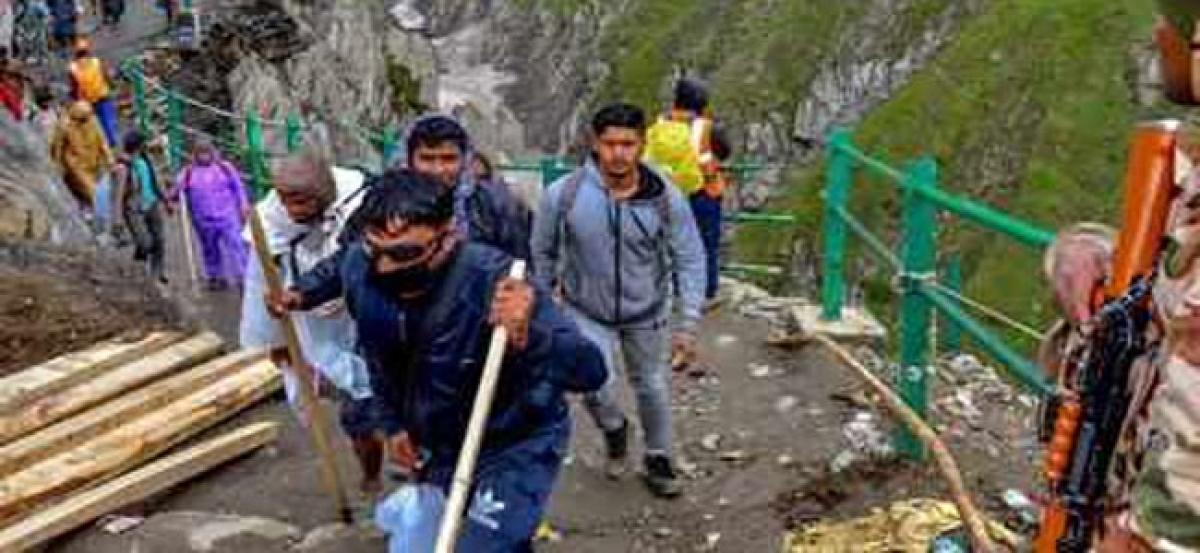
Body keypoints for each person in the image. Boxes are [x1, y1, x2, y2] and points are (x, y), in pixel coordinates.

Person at [271, 167, 606, 551]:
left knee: (482, 545)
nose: (385, 268)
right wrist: (394, 425)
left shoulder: (496, 284)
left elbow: (591, 372)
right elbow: (380, 361)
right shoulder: (360, 269)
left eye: (405, 254)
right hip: (441, 442)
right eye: (374, 249)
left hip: (513, 440)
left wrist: (531, 333)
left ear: (449, 237)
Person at [531, 102, 707, 498]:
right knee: (594, 383)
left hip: (647, 311)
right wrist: (543, 304)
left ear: (642, 145)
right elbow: (542, 251)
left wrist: (689, 323)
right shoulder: (565, 195)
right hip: (585, 308)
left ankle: (659, 458)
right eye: (610, 144)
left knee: (652, 386)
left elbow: (690, 257)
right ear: (595, 144)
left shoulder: (665, 197)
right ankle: (614, 427)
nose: (618, 154)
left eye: (628, 144)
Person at [240, 144, 387, 500]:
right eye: (287, 200)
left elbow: (352, 262)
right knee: (357, 412)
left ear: (325, 191)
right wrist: (272, 340)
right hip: (306, 308)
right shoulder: (269, 220)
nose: (294, 210)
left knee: (382, 400)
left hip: (367, 309)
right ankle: (371, 468)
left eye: (303, 201)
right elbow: (261, 280)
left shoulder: (364, 202)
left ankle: (396, 464)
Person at [284, 113, 532, 303]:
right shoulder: (384, 201)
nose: (437, 170)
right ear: (410, 158)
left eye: (448, 159)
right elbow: (353, 257)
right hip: (397, 325)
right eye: (427, 158)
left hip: (474, 327)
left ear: (465, 159)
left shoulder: (493, 204)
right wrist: (304, 292)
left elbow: (519, 269)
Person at [645, 78, 730, 304]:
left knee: (673, 243)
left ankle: (675, 291)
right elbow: (724, 151)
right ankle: (706, 294)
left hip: (669, 192)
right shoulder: (706, 127)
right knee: (706, 244)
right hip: (705, 190)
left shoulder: (659, 124)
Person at [168, 138, 250, 291]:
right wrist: (171, 200)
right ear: (195, 155)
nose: (204, 157)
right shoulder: (188, 173)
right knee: (210, 249)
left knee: (236, 245)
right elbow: (175, 191)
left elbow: (238, 187)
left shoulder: (225, 168)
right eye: (201, 154)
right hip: (203, 219)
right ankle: (216, 276)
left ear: (213, 152)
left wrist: (243, 205)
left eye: (207, 153)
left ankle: (242, 276)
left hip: (227, 216)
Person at [116, 131, 169, 283]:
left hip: (151, 203)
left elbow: (155, 181)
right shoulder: (123, 167)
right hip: (134, 208)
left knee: (159, 240)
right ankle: (138, 266)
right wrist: (118, 218)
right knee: (144, 242)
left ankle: (157, 272)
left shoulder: (146, 160)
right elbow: (118, 195)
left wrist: (165, 200)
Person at [50, 100, 111, 217]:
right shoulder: (64, 125)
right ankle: (99, 215)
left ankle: (92, 209)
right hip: (76, 164)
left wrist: (109, 159)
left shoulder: (93, 120)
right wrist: (58, 166)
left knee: (95, 190)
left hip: (93, 160)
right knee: (91, 190)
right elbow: (57, 147)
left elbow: (102, 140)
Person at [68, 36, 118, 146]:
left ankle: (100, 143)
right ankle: (112, 141)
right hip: (102, 95)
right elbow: (106, 76)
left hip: (87, 101)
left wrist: (75, 100)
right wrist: (113, 85)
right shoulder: (96, 62)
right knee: (108, 120)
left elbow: (74, 87)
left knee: (94, 124)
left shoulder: (73, 68)